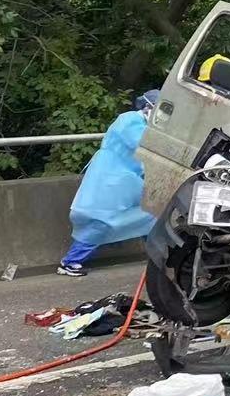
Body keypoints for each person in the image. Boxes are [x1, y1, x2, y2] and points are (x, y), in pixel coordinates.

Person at [58, 90, 160, 276]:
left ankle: (158, 256)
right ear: (147, 107)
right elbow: (143, 144)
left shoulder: (143, 123)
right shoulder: (129, 120)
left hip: (126, 178)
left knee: (149, 214)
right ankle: (71, 261)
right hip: (110, 177)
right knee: (102, 221)